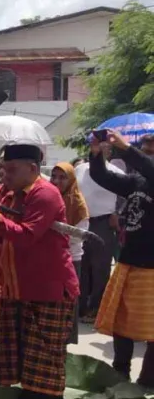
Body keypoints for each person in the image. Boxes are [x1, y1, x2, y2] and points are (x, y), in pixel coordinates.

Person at [0, 143, 79, 399]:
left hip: (49, 289)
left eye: (11, 169)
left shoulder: (46, 194)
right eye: (3, 169)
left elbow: (27, 236)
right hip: (16, 289)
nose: (4, 174)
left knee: (45, 363)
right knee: (22, 360)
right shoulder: (9, 194)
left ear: (33, 169)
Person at [90, 131, 154, 386]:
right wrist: (96, 154)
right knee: (121, 322)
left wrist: (127, 149)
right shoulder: (138, 181)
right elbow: (103, 177)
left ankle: (148, 380)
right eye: (146, 146)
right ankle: (120, 373)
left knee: (152, 330)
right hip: (128, 262)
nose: (148, 151)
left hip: (152, 266)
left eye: (152, 147)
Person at [75, 148, 123, 321]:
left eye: (103, 148)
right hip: (81, 221)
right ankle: (80, 307)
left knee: (100, 267)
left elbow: (124, 196)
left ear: (109, 152)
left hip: (103, 223)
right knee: (82, 264)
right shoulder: (80, 169)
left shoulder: (116, 172)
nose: (98, 151)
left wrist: (118, 213)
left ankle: (96, 308)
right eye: (94, 147)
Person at [50, 162, 90, 344]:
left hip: (71, 259)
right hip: (48, 258)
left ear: (71, 179)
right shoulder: (46, 199)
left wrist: (53, 230)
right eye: (54, 176)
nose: (57, 181)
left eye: (62, 177)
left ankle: (65, 344)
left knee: (67, 303)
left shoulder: (78, 204)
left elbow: (78, 237)